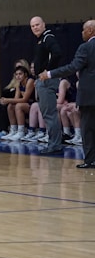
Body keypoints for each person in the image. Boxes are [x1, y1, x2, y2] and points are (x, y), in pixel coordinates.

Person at [39, 20, 95, 168]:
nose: (82, 33)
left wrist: (50, 73)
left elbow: (73, 67)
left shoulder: (86, 47)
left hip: (90, 96)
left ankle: (90, 160)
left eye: (84, 30)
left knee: (88, 129)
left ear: (90, 30)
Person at [30, 16, 63, 154]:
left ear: (44, 25)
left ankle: (55, 145)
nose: (35, 27)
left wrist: (47, 71)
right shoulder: (40, 40)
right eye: (32, 26)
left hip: (47, 81)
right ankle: (53, 142)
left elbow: (57, 53)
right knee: (47, 113)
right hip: (41, 81)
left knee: (50, 113)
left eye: (37, 24)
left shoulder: (47, 37)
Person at [0, 65, 35, 140]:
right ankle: (13, 130)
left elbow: (25, 99)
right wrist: (7, 101)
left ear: (25, 74)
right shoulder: (19, 83)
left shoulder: (30, 81)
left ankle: (21, 131)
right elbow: (16, 99)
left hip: (34, 104)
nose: (18, 76)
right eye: (16, 74)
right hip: (26, 104)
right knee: (11, 106)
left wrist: (7, 100)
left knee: (18, 106)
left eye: (20, 74)